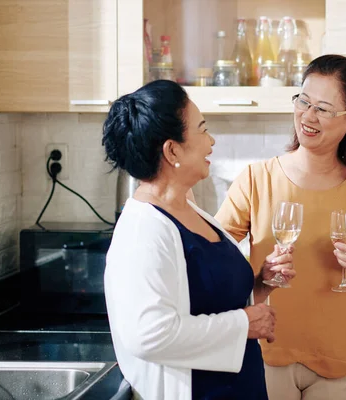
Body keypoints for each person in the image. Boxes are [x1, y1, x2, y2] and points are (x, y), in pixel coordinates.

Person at [215, 54, 346, 400]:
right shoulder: (257, 180)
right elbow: (213, 259)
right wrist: (259, 276)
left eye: (324, 108)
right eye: (303, 101)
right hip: (267, 353)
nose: (308, 116)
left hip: (341, 362)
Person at [102, 80, 295, 400]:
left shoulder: (187, 211)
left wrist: (262, 284)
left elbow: (210, 304)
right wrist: (244, 325)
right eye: (202, 129)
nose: (211, 141)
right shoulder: (144, 231)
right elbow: (148, 337)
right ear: (172, 150)